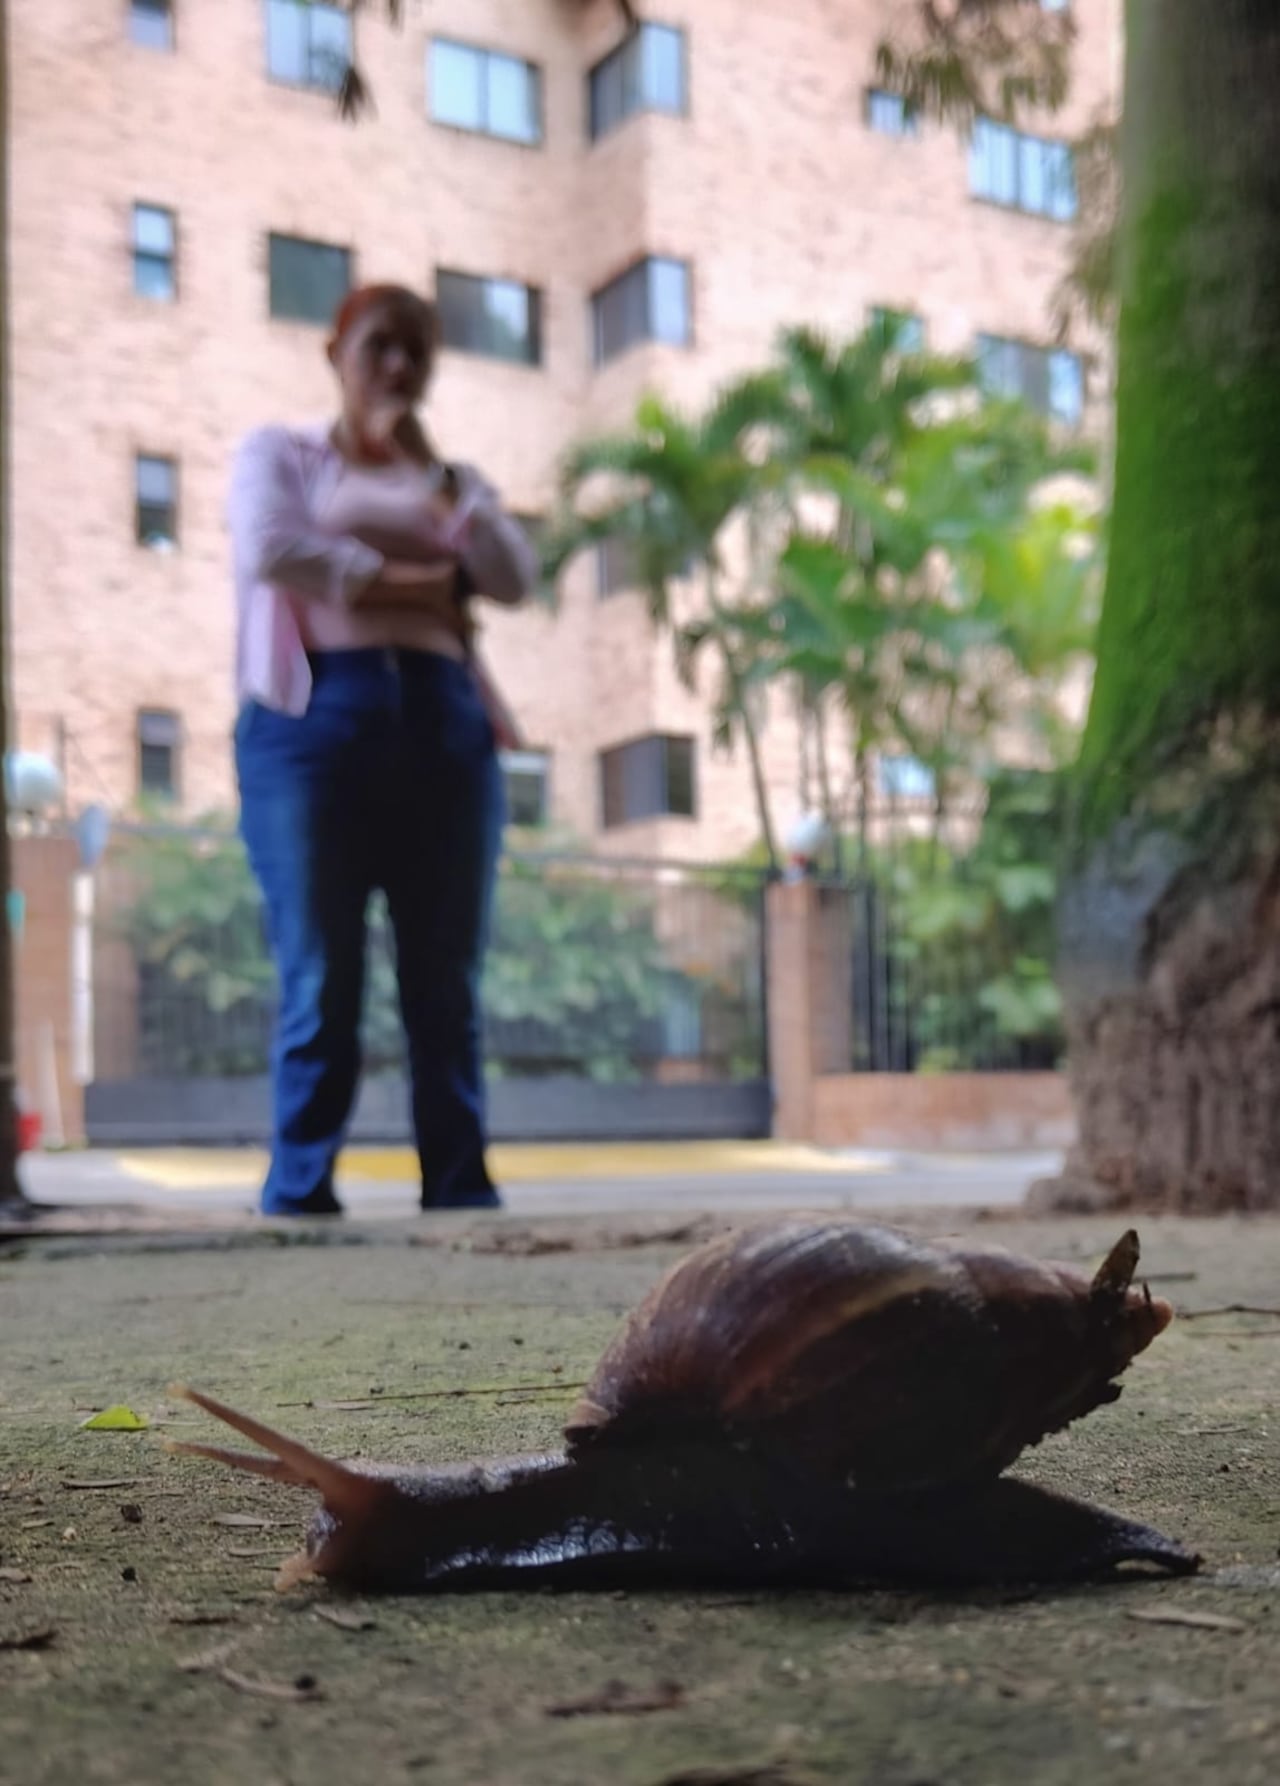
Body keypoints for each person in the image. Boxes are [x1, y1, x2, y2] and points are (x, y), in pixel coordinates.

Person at [228, 283, 536, 1217]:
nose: (399, 366)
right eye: (379, 345)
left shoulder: (454, 481)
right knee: (321, 969)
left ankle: (458, 1185)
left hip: (446, 721)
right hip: (316, 721)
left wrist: (438, 480)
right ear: (336, 354)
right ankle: (299, 1192)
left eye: (418, 350)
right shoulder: (282, 454)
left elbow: (512, 577)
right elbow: (271, 548)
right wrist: (417, 585)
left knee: (445, 974)